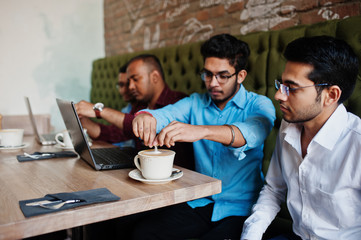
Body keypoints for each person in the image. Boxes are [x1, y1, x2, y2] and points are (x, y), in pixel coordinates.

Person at [131, 33, 276, 240]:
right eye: (208, 74)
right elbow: (165, 114)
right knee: (143, 233)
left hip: (241, 208)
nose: (213, 83)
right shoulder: (195, 102)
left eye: (222, 76)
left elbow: (252, 132)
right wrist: (145, 117)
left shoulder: (260, 105)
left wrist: (201, 130)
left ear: (241, 75)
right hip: (200, 202)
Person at [241, 36, 361, 240]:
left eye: (292, 88)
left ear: (331, 95)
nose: (279, 95)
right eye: (280, 84)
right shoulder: (289, 126)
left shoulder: (356, 142)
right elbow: (273, 190)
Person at [75, 54, 194, 169]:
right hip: (141, 170)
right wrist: (83, 122)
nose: (130, 87)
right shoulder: (140, 105)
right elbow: (116, 133)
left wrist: (98, 110)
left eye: (135, 79)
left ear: (155, 77)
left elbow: (135, 123)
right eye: (128, 81)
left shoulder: (178, 102)